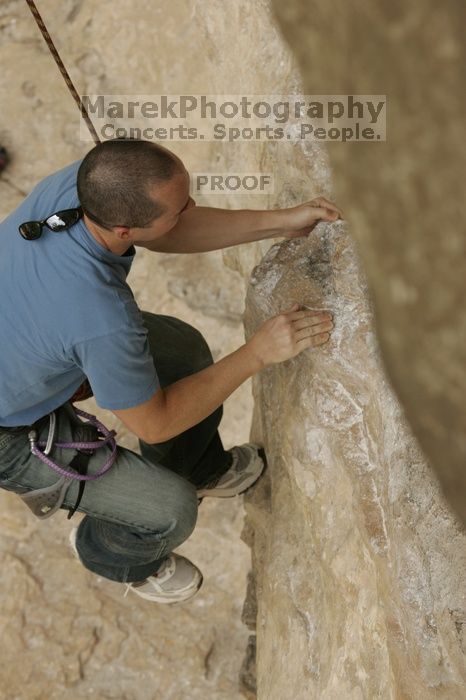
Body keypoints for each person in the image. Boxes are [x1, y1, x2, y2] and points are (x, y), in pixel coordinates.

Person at [0, 138, 340, 604]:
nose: (192, 206)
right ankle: (112, 554)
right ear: (122, 230)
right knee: (171, 509)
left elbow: (165, 227)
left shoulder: (91, 182)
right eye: (181, 208)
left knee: (180, 351)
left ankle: (200, 466)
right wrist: (257, 353)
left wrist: (283, 221)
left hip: (27, 340)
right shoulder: (102, 319)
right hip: (8, 434)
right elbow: (156, 423)